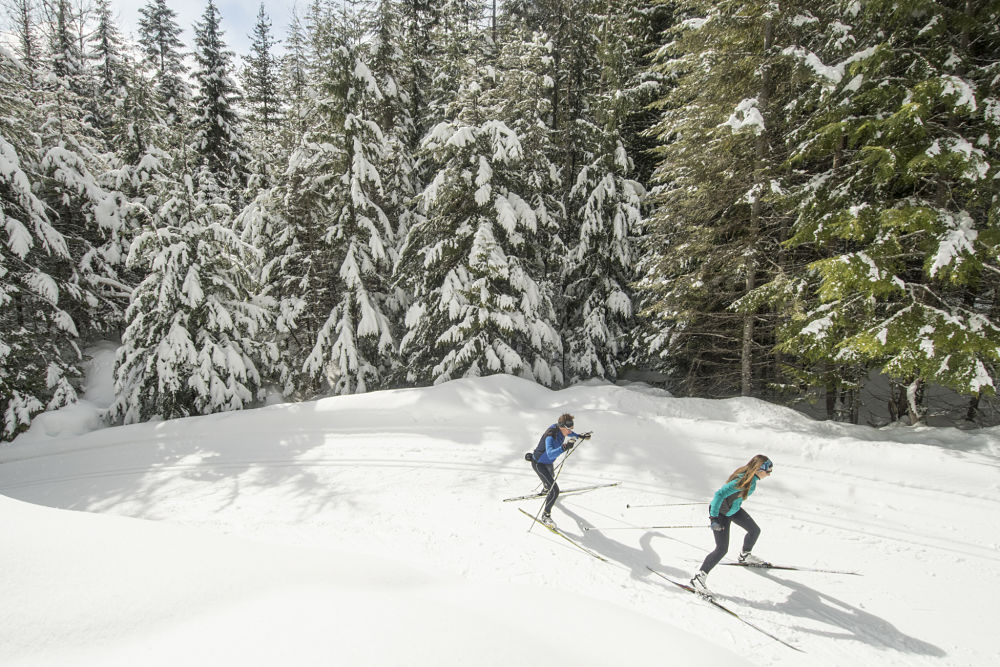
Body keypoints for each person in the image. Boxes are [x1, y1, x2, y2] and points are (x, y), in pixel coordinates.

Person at [689, 455, 774, 596]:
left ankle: (745, 556)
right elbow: (719, 495)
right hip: (720, 514)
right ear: (759, 469)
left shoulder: (751, 479)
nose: (769, 474)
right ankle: (698, 578)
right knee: (721, 549)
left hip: (732, 510)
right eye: (768, 471)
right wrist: (713, 519)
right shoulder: (743, 480)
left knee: (754, 531)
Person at [527, 413, 590, 527]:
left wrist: (580, 436)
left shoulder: (562, 429)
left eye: (572, 428)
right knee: (555, 490)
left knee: (550, 477)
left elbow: (571, 433)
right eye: (569, 429)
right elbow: (550, 453)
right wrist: (564, 447)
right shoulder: (550, 435)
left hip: (548, 463)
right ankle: (545, 516)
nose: (571, 431)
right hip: (539, 464)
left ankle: (546, 488)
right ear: (562, 427)